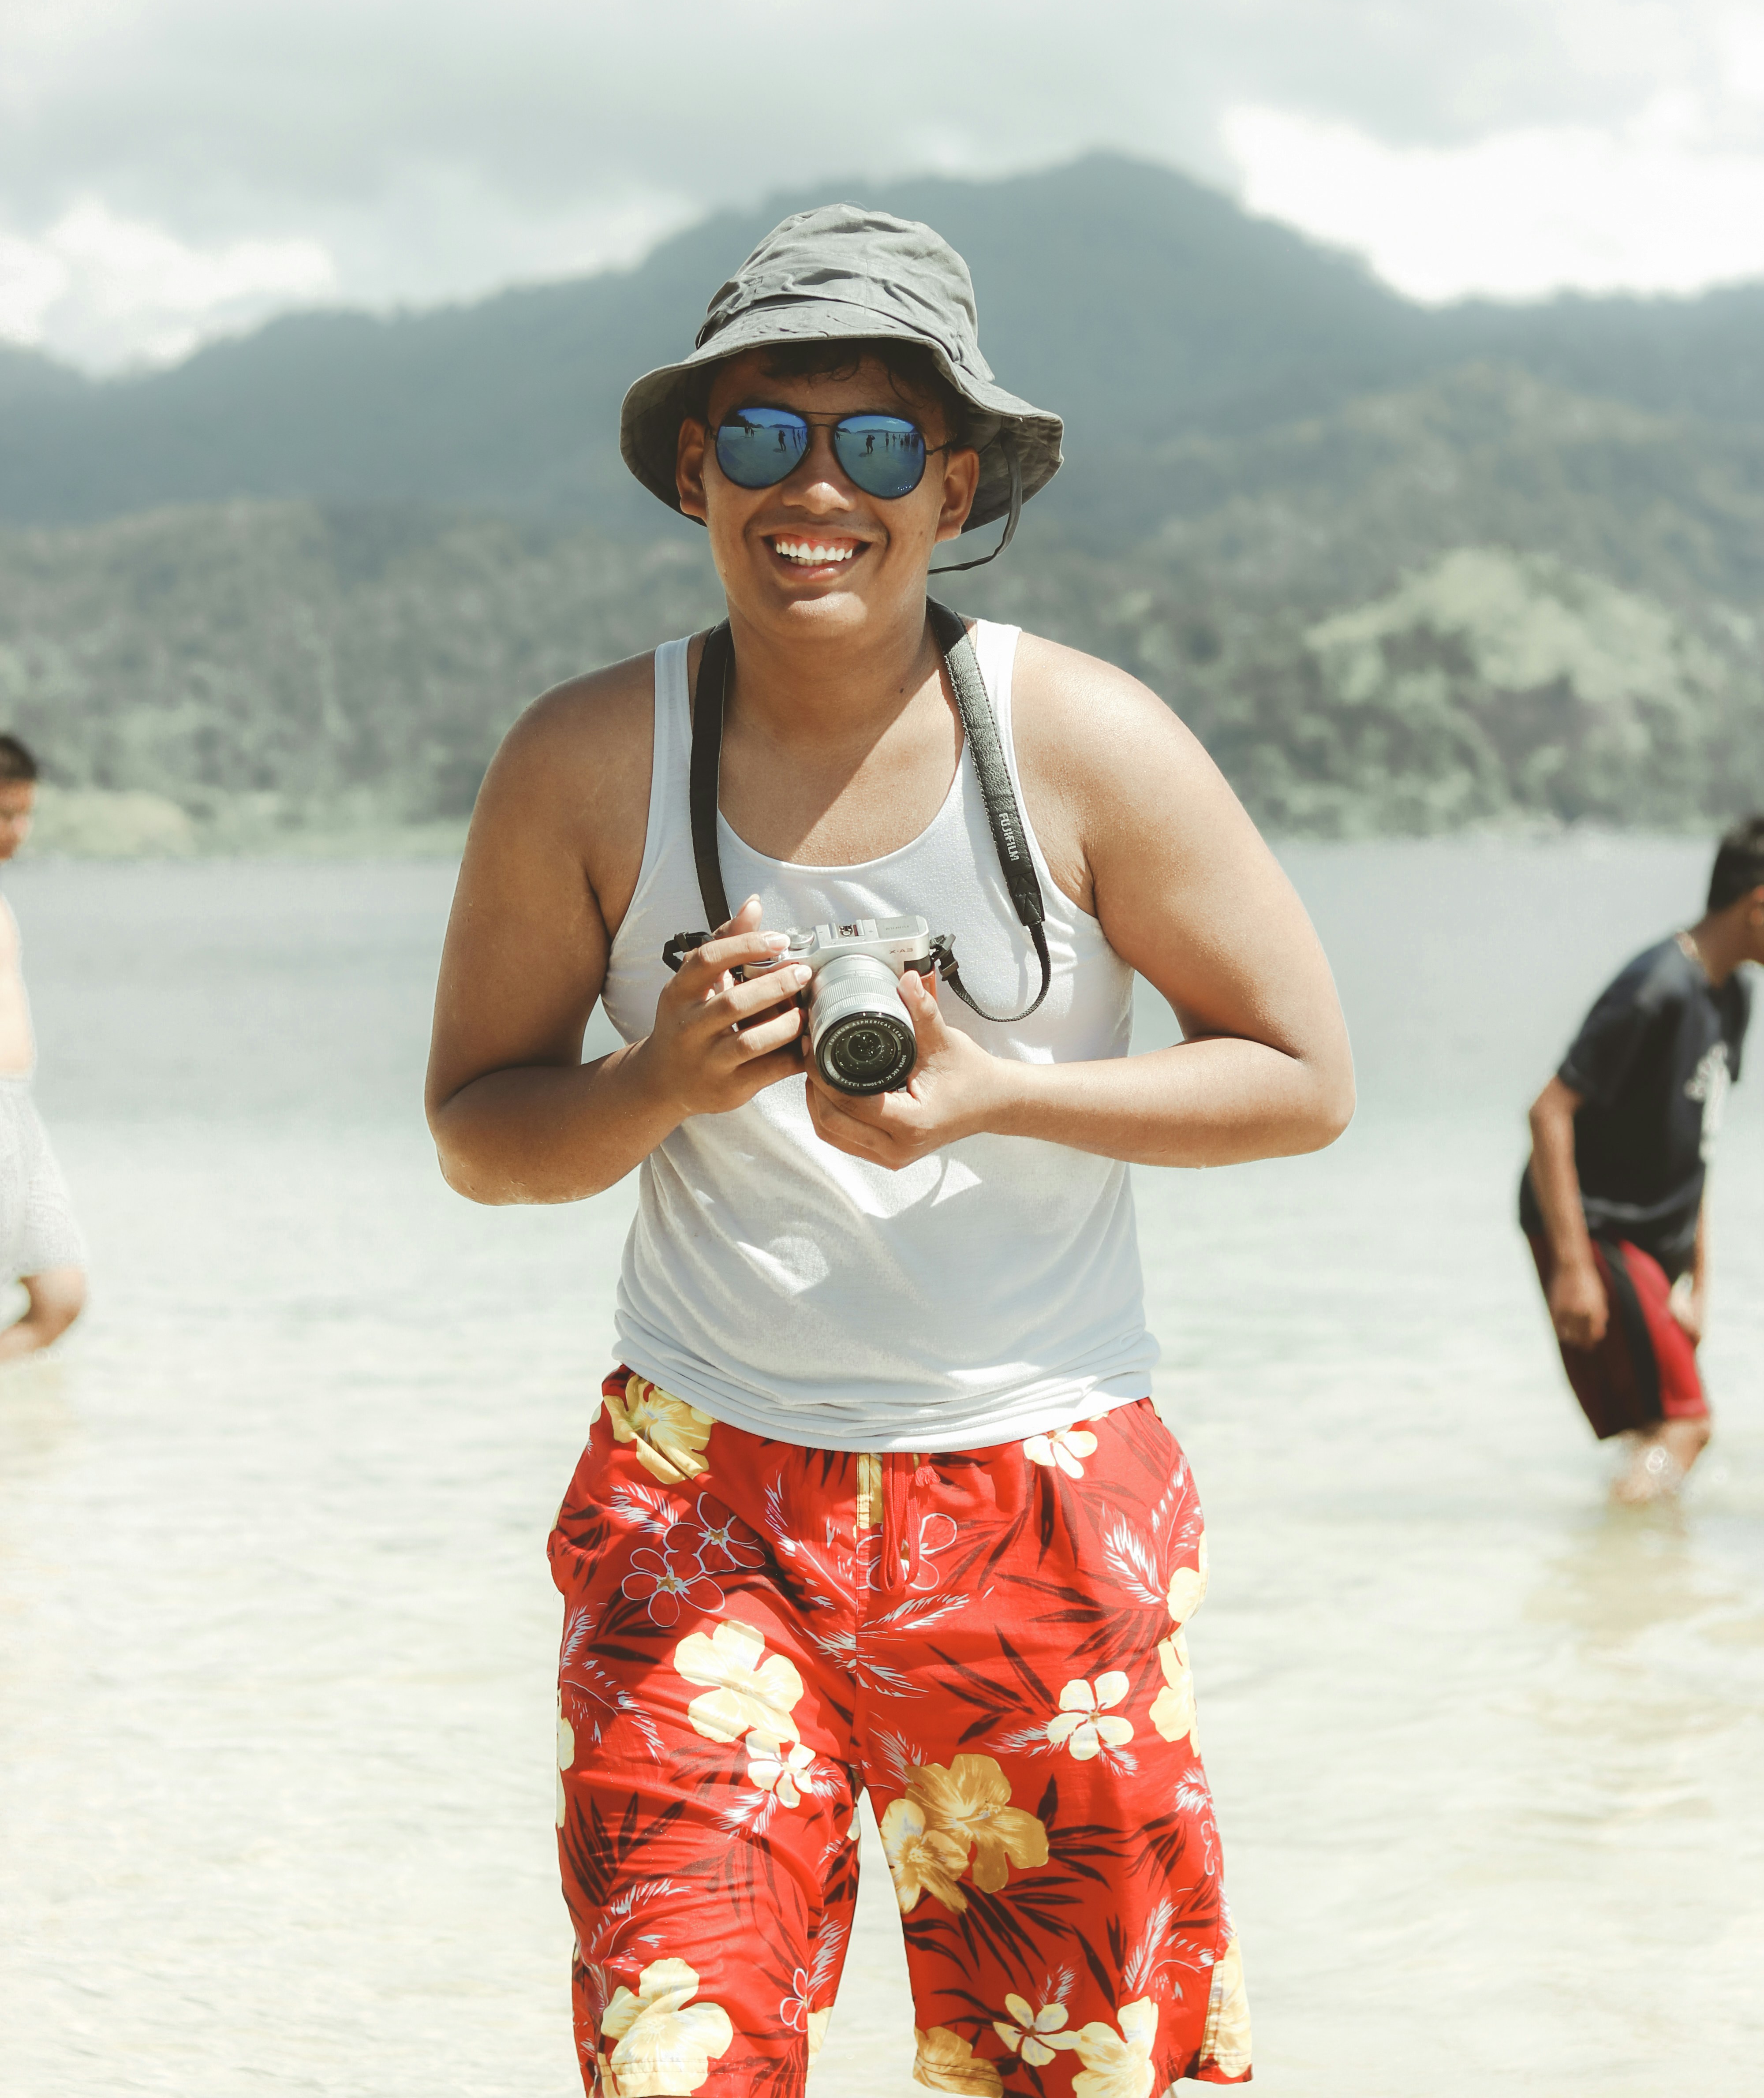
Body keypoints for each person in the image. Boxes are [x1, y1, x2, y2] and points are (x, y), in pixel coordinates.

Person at [427, 206, 1353, 2096]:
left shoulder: (1086, 740)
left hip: (1039, 1488)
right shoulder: (590, 762)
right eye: (764, 439)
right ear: (697, 467)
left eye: (873, 445)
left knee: (1079, 2067)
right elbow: (480, 1131)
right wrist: (653, 1086)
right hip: (702, 1499)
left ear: (954, 478)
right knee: (679, 2051)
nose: (814, 494)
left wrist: (997, 1087)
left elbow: (1301, 1076)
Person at [1522, 816, 1764, 1505]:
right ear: (1758, 905)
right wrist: (1573, 1266)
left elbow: (1700, 1149)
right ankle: (1627, 1577)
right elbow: (1548, 1111)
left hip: (1652, 1247)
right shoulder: (1655, 986)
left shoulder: (1734, 999)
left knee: (1650, 1425)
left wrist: (1697, 1286)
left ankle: (1632, 1589)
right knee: (1688, 1425)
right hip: (1595, 1229)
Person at [0, 733, 88, 1363]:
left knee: (61, 1297)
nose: (18, 830)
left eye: (25, 812)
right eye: (4, 814)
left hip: (16, 1113)